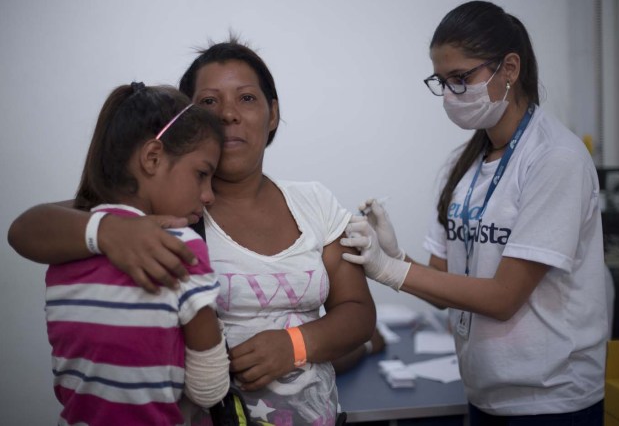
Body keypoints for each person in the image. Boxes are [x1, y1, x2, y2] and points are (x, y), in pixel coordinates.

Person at [8, 38, 376, 426]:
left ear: (272, 114)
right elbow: (26, 230)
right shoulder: (164, 213)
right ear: (188, 121)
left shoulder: (314, 202)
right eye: (209, 102)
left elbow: (357, 313)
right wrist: (111, 232)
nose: (228, 114)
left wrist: (295, 345)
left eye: (247, 98)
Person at [340, 1, 607, 425]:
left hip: (552, 401)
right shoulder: (461, 168)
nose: (449, 95)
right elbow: (445, 288)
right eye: (441, 81)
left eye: (461, 78)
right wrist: (395, 255)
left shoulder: (555, 159)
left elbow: (502, 299)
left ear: (510, 69)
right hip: (483, 392)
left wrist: (391, 271)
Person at [39, 83, 230, 425]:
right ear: (152, 158)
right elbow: (208, 388)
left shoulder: (63, 251)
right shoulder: (182, 245)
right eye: (202, 174)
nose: (208, 195)